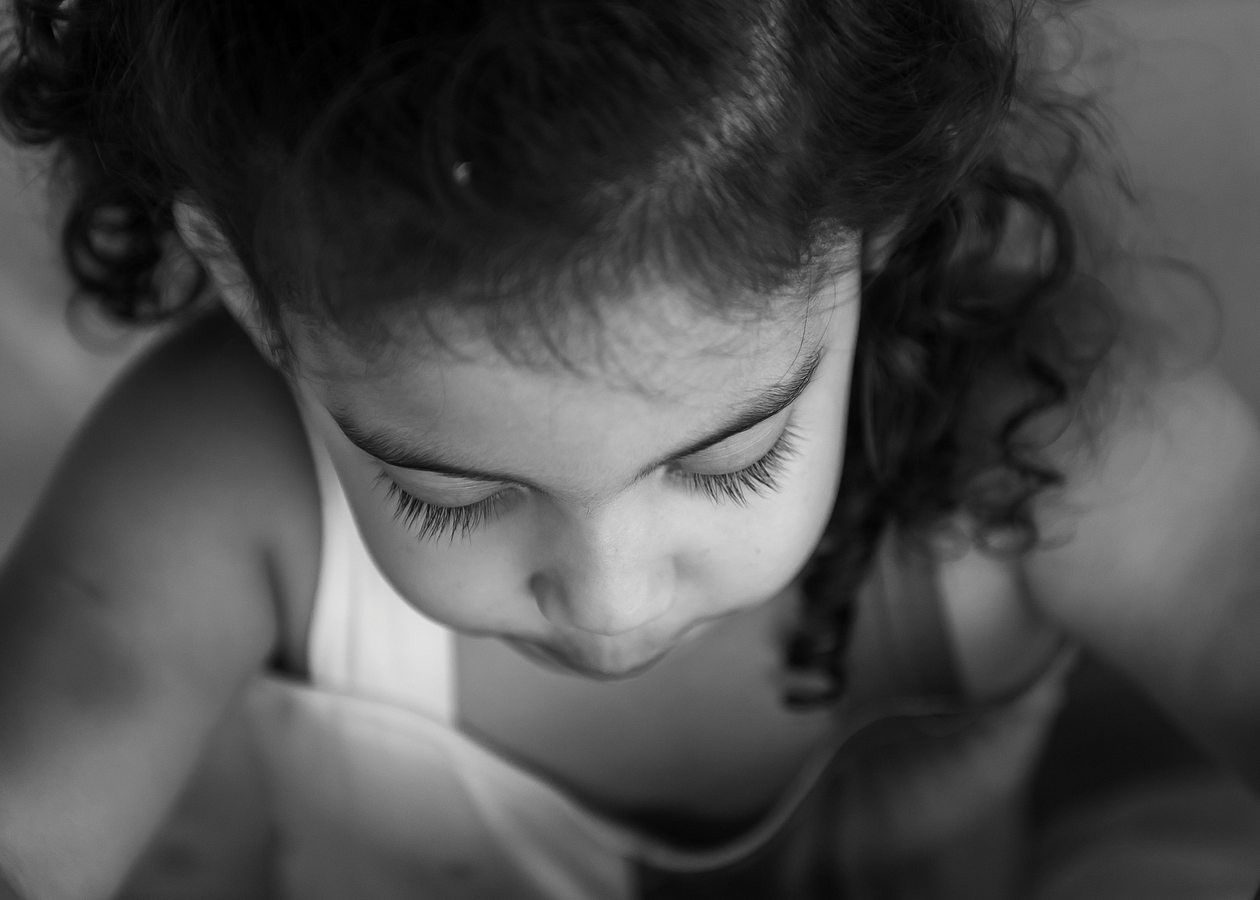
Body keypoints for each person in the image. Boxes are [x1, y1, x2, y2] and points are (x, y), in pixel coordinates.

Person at [0, 0, 1257, 897]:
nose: (610, 602)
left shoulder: (1034, 423)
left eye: (729, 463)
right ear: (253, 292)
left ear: (875, 223)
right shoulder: (222, 477)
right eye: (446, 492)